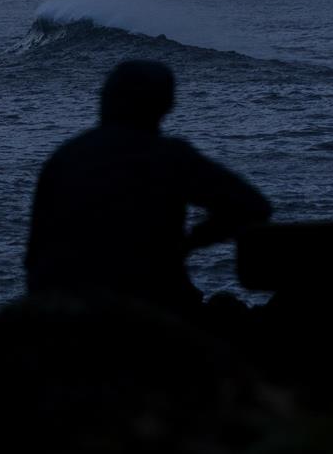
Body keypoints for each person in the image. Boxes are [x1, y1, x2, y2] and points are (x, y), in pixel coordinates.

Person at [24, 60, 272, 316]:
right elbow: (253, 206)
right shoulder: (166, 156)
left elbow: (33, 257)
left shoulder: (64, 157)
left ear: (105, 100)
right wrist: (189, 243)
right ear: (165, 107)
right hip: (145, 309)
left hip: (58, 312)